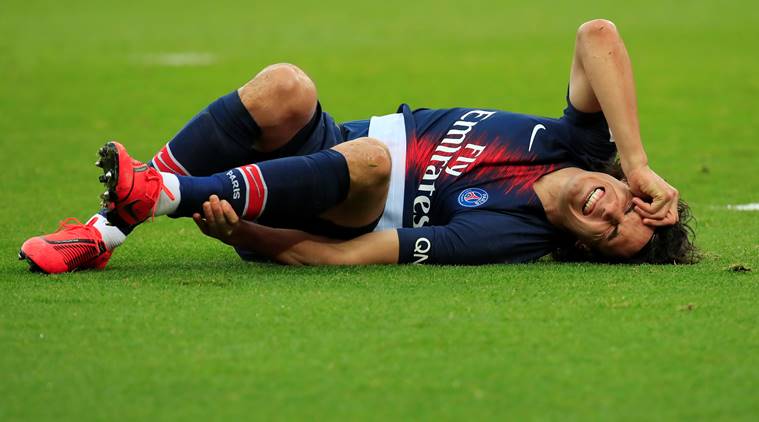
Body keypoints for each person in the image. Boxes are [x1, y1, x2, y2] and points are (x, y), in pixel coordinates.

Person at [19, 19, 697, 273]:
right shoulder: (578, 142)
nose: (611, 212)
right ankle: (108, 229)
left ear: (584, 246)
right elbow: (596, 35)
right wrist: (637, 161)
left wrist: (245, 236)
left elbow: (346, 254)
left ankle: (159, 194)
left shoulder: (506, 234)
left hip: (335, 207)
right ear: (630, 188)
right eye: (630, 208)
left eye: (611, 234)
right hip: (333, 146)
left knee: (373, 161)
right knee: (285, 85)